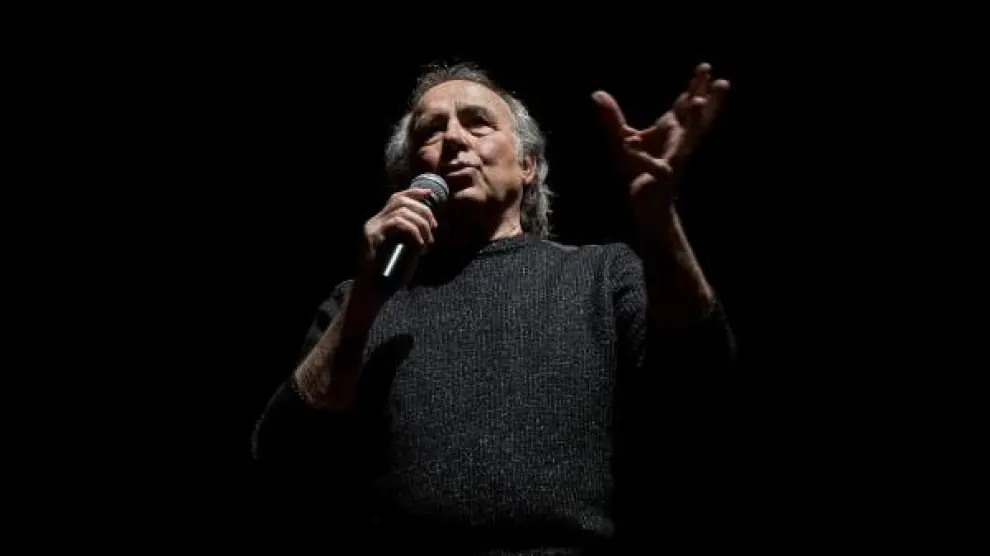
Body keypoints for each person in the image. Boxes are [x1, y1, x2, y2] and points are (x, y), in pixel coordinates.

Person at [252, 60, 738, 554]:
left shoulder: (600, 274)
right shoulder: (360, 300)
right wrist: (367, 297)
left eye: (477, 122)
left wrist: (659, 218)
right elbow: (283, 453)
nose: (453, 138)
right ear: (411, 175)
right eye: (430, 131)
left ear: (527, 165)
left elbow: (702, 375)